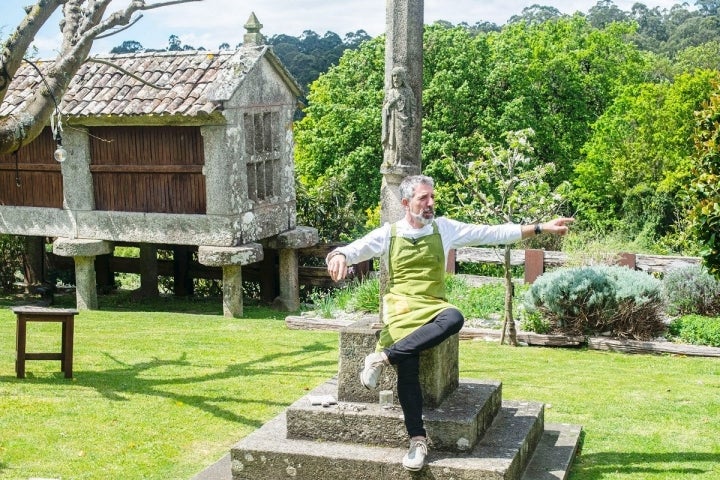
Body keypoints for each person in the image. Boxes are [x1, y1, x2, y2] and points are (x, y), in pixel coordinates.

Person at [326, 174, 574, 471]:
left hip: (432, 305)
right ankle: (417, 441)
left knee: (454, 317)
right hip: (402, 309)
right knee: (409, 367)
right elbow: (353, 250)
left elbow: (492, 233)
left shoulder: (444, 229)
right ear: (406, 203)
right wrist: (338, 255)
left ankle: (382, 358)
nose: (430, 203)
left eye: (432, 197)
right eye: (423, 198)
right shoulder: (388, 234)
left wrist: (539, 227)